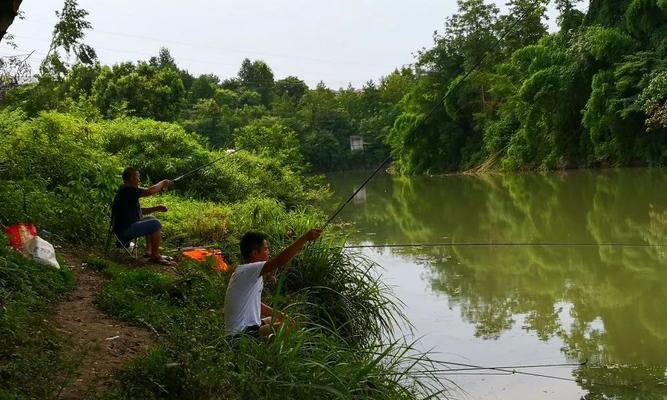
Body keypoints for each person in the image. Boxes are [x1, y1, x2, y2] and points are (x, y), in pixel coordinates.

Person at [224, 228, 322, 338]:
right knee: (290, 324)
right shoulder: (248, 270)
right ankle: (270, 351)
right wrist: (304, 238)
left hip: (250, 327)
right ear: (255, 253)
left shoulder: (249, 273)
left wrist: (280, 315)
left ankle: (266, 341)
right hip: (240, 335)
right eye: (265, 249)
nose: (268, 252)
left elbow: (256, 303)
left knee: (280, 319)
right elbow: (280, 261)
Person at [111, 167, 175, 266]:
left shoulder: (126, 191)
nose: (139, 179)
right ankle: (155, 256)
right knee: (155, 224)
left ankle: (149, 252)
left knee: (151, 219)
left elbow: (138, 212)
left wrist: (156, 208)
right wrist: (163, 183)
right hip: (125, 230)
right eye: (138, 176)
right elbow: (149, 191)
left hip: (126, 226)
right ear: (131, 178)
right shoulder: (128, 190)